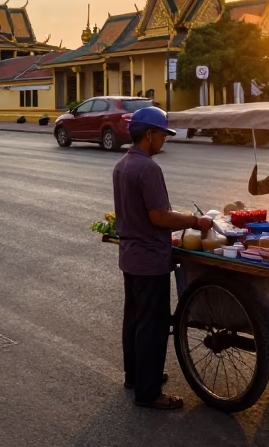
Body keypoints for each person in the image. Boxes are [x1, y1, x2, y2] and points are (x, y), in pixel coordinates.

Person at [112, 106, 212, 411]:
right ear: (150, 135)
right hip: (149, 260)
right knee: (153, 326)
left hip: (131, 257)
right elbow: (158, 216)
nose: (164, 141)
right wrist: (196, 222)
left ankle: (136, 376)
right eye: (162, 135)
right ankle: (149, 391)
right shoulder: (148, 169)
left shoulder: (123, 164)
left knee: (135, 321)